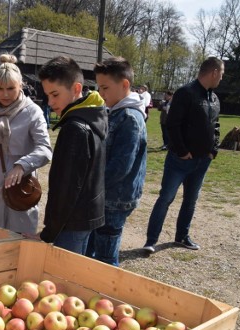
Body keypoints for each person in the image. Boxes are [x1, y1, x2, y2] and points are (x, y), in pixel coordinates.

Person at [142, 57, 224, 253]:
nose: (222, 78)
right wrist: (182, 151)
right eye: (221, 73)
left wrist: (213, 150)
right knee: (166, 198)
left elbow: (216, 126)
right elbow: (173, 124)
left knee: (190, 200)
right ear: (213, 72)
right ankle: (151, 241)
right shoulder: (185, 93)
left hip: (203, 161)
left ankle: (182, 236)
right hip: (180, 161)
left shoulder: (214, 98)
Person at [0, 54, 52, 234]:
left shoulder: (32, 112)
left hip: (19, 192)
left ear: (20, 85)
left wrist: (22, 166)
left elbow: (45, 149)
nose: (5, 94)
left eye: (11, 88)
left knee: (18, 247)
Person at [35, 56, 108, 255]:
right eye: (47, 95)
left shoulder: (75, 128)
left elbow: (66, 187)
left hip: (72, 222)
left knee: (63, 279)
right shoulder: (94, 114)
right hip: (86, 216)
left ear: (76, 89)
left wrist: (49, 232)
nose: (50, 102)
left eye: (55, 94)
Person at [88, 57, 147, 266]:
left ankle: (106, 291)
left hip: (115, 197)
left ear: (124, 85)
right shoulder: (116, 111)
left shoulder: (129, 117)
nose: (101, 94)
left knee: (105, 257)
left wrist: (93, 185)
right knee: (93, 248)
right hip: (107, 194)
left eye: (105, 88)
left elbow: (121, 165)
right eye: (99, 87)